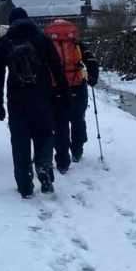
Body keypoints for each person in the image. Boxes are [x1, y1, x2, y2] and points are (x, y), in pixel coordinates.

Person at [0, 7, 71, 198]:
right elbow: (57, 67)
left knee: (20, 141)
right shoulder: (42, 39)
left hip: (17, 100)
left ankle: (25, 186)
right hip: (42, 98)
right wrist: (65, 94)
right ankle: (43, 166)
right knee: (44, 134)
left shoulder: (4, 42)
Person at [43, 19, 100, 172]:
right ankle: (77, 150)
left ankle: (62, 162)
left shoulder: (48, 46)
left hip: (56, 89)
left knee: (60, 124)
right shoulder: (77, 44)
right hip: (77, 86)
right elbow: (92, 61)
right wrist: (93, 79)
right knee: (78, 119)